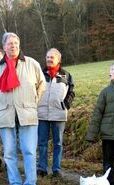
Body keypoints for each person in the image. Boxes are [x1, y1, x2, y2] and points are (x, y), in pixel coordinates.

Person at [0, 32, 46, 185]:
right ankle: (15, 184)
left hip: (27, 113)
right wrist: (5, 103)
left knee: (29, 151)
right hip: (6, 113)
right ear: (4, 46)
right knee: (9, 152)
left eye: (15, 43)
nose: (13, 46)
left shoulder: (31, 64)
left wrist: (32, 102)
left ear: (19, 45)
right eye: (9, 43)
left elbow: (41, 85)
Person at [37, 48, 75, 177]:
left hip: (59, 114)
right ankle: (42, 168)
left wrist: (66, 104)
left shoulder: (65, 75)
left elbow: (71, 92)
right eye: (47, 57)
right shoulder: (40, 73)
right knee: (42, 143)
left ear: (59, 59)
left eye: (52, 57)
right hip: (41, 114)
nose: (49, 59)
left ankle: (56, 169)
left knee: (58, 143)